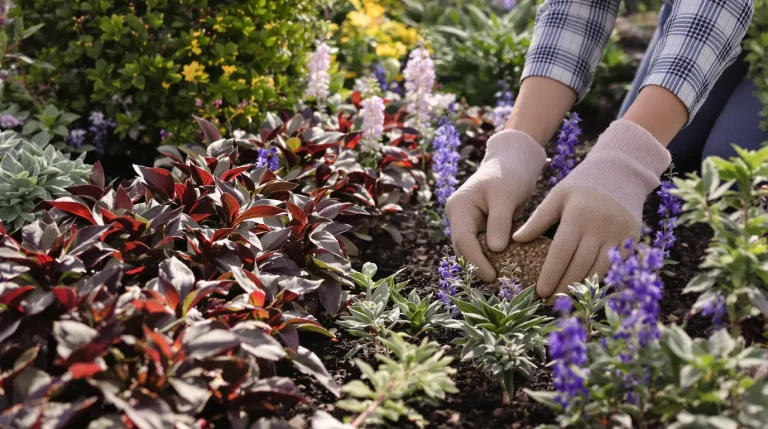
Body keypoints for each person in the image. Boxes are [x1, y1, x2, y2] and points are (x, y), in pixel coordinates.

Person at [446, 0, 762, 299]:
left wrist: (627, 161)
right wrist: (515, 148)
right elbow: (578, 8)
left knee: (730, 168)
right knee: (672, 149)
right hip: (693, 17)